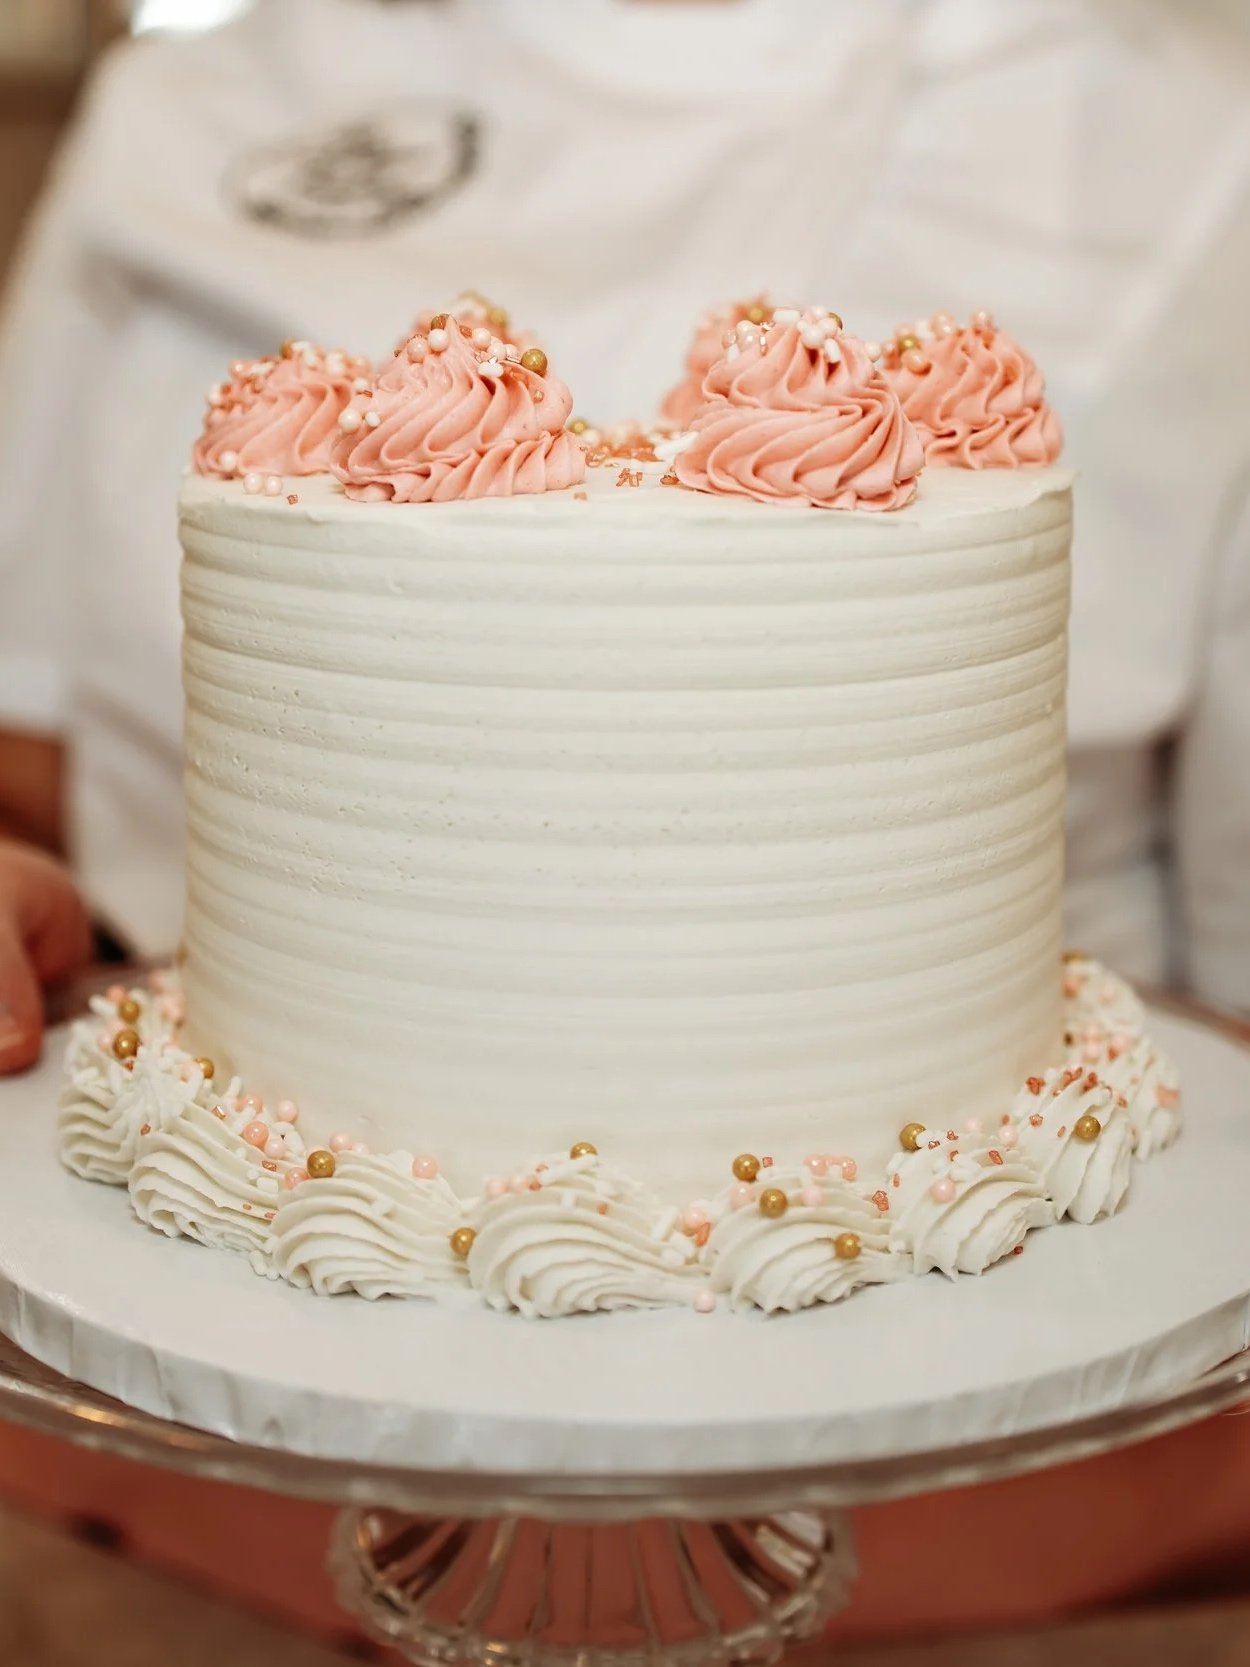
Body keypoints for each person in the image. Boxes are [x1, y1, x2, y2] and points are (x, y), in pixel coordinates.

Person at [1, 0, 1249, 1078]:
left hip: (981, 1224)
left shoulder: (1186, 145)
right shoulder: (184, 102)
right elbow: (30, 750)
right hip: (236, 1141)